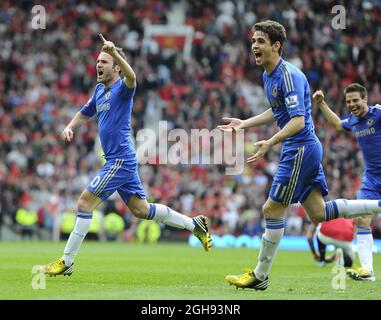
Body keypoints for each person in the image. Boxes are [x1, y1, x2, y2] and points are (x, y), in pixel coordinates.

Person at [218, 20, 381, 290]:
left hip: (299, 147)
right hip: (302, 147)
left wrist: (270, 142)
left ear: (276, 45)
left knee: (271, 208)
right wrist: (244, 123)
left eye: (260, 41)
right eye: (253, 41)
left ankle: (260, 276)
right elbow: (276, 110)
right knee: (318, 214)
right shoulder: (269, 75)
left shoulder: (288, 75)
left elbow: (298, 121)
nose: (254, 46)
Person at [40, 34, 211, 276]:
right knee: (141, 210)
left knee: (84, 202)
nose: (98, 65)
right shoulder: (99, 90)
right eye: (98, 61)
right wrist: (70, 126)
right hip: (119, 160)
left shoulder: (123, 88)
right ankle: (194, 224)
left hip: (120, 159)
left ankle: (67, 262)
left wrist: (116, 52)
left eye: (105, 62)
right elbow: (84, 113)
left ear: (116, 67)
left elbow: (133, 77)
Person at [313, 84, 379, 281]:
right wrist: (321, 103)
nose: (352, 104)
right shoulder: (353, 120)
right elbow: (336, 124)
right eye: (348, 101)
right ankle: (367, 271)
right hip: (372, 178)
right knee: (361, 219)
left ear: (365, 99)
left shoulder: (378, 114)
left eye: (355, 100)